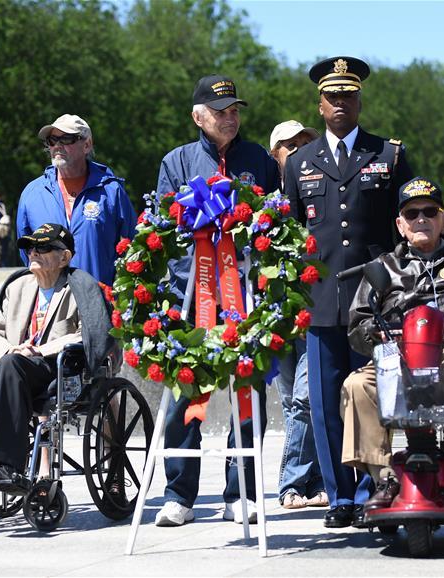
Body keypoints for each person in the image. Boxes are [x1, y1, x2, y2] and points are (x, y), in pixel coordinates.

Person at [283, 56, 414, 528]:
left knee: (373, 398)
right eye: (332, 97)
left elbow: (409, 226)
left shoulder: (389, 155)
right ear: (320, 105)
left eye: (348, 96)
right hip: (320, 302)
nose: (340, 103)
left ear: (360, 101)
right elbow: (290, 236)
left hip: (375, 302)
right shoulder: (299, 162)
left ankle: (372, 489)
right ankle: (339, 495)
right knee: (323, 403)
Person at [156, 74, 280, 527]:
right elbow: (162, 230)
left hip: (246, 296)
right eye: (220, 110)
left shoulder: (259, 161)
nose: (230, 117)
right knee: (186, 391)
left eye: (235, 110)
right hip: (191, 296)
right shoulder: (177, 162)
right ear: (198, 116)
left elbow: (274, 223)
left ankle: (240, 489)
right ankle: (179, 493)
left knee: (247, 395)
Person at [342, 177, 444, 514]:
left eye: (430, 211)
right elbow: (357, 326)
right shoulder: (384, 267)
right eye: (412, 213)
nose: (422, 219)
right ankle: (385, 477)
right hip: (397, 358)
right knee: (357, 384)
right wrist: (379, 333)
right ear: (400, 225)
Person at [0, 224, 113, 484]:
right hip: (13, 364)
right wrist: (10, 350)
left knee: (12, 364)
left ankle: (7, 465)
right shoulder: (17, 286)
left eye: (43, 248)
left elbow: (88, 334)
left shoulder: (80, 288)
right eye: (31, 248)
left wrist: (38, 349)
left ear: (65, 257)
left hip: (54, 371)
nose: (34, 253)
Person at [268, 120, 326, 509]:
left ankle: (289, 482)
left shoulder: (320, 191)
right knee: (292, 402)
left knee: (308, 397)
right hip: (274, 314)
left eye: (305, 142)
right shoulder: (262, 201)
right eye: (289, 145)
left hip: (313, 310)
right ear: (275, 155)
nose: (298, 150)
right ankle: (317, 480)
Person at [16, 114, 135, 285]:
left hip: (99, 303)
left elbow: (131, 251)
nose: (57, 145)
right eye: (52, 140)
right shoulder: (32, 193)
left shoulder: (111, 192)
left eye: (66, 139)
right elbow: (26, 253)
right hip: (51, 303)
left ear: (87, 145)